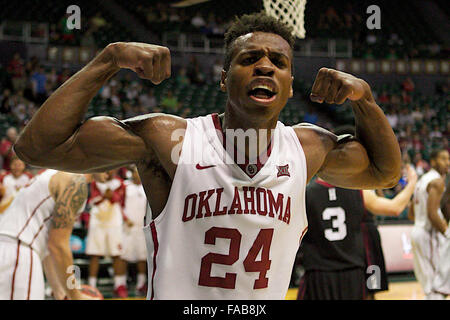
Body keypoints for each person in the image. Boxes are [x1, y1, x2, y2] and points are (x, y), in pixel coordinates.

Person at [14, 12, 401, 299]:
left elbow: (385, 173)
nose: (265, 65)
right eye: (249, 59)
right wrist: (108, 59)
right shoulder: (168, 139)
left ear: (289, 85)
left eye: (278, 62)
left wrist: (364, 99)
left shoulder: (308, 147)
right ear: (222, 77)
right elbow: (37, 147)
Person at [0, 169, 94, 300]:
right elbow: (58, 245)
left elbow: (48, 248)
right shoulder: (75, 181)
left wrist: (59, 291)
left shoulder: (53, 174)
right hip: (17, 253)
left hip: (11, 248)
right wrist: (75, 295)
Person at [409, 149, 449, 299]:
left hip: (417, 231)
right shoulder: (438, 182)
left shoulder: (422, 180)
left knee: (429, 284)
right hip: (428, 235)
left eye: (448, 159)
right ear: (432, 162)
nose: (447, 163)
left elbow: (411, 212)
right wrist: (447, 232)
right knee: (437, 285)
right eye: (443, 159)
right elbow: (432, 213)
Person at [85, 170, 129, 298]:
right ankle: (91, 286)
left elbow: (121, 201)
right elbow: (91, 201)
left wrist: (112, 196)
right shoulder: (94, 183)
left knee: (117, 254)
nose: (108, 171)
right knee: (94, 254)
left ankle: (119, 285)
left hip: (114, 221)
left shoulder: (120, 183)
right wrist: (105, 196)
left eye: (111, 169)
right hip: (97, 221)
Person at [121, 166, 148, 296]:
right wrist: (125, 218)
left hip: (141, 226)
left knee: (142, 257)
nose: (137, 175)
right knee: (123, 256)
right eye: (135, 173)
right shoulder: (125, 186)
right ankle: (121, 283)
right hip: (127, 227)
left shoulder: (147, 186)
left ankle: (141, 284)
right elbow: (118, 205)